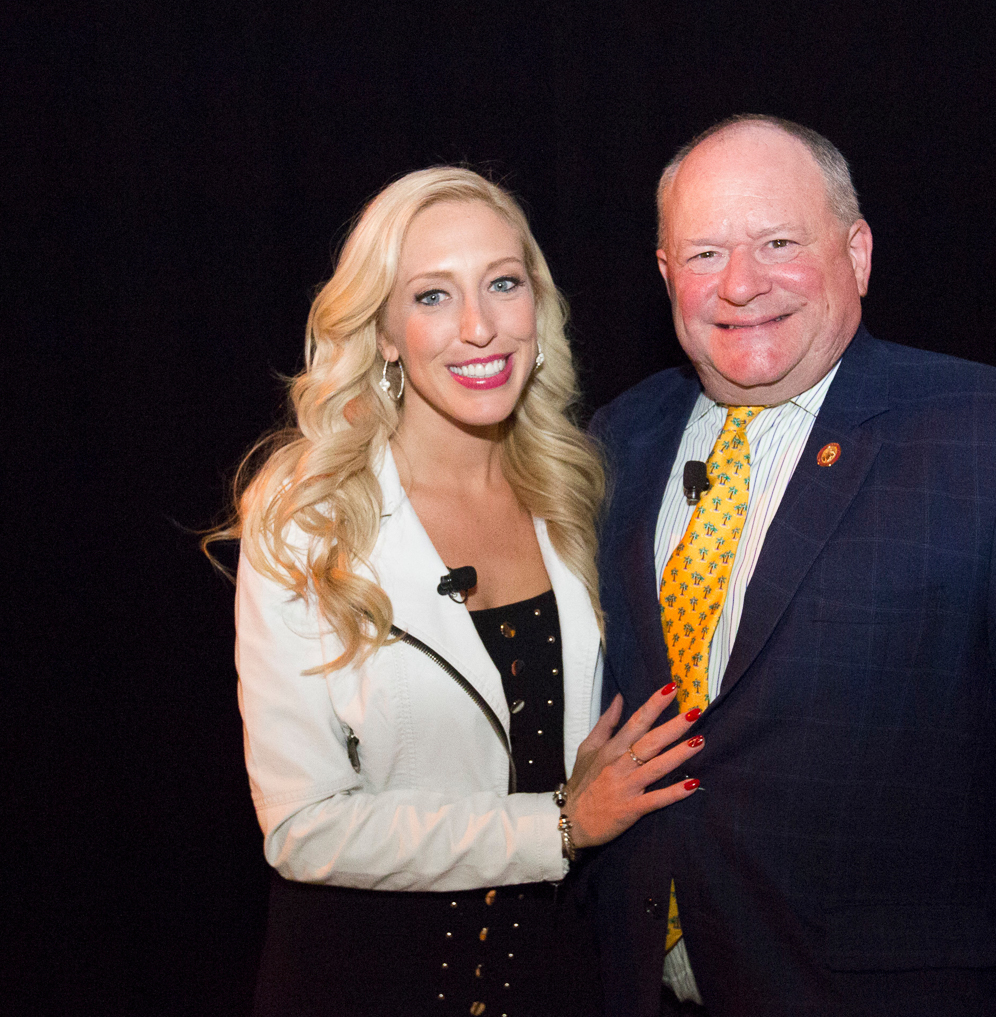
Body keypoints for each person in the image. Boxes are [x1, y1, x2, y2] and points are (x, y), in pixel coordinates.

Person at [582, 116, 996, 1017]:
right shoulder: (613, 443)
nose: (740, 284)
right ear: (666, 274)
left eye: (778, 242)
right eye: (704, 254)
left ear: (854, 253)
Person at [209, 167, 705, 1017]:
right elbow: (303, 826)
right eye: (433, 296)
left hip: (562, 978)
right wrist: (555, 825)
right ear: (386, 331)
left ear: (536, 310)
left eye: (502, 284)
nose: (478, 327)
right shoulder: (309, 521)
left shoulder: (583, 493)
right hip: (365, 981)